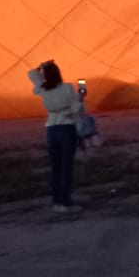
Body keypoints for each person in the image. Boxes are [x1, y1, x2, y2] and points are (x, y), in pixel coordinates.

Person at [27, 60, 82, 213]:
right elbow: (76, 106)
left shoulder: (42, 89)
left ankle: (57, 201)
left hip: (51, 129)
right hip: (66, 127)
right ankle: (65, 202)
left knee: (55, 167)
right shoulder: (67, 88)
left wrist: (41, 67)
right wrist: (82, 92)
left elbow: (31, 74)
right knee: (66, 167)